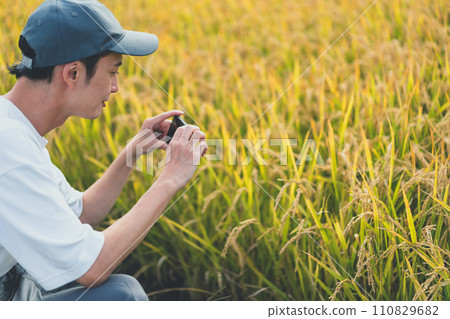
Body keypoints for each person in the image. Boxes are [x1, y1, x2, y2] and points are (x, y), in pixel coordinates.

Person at [0, 0, 207, 301]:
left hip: (10, 284)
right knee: (121, 296)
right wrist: (169, 179)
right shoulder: (9, 148)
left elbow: (80, 214)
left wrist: (130, 156)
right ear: (72, 73)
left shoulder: (14, 129)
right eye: (112, 72)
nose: (115, 87)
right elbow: (92, 267)